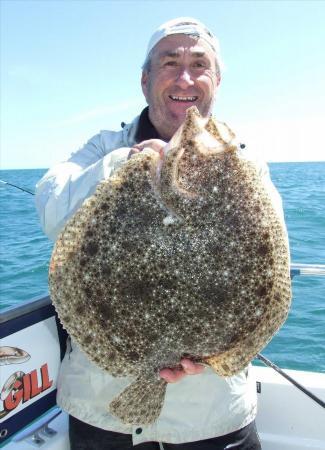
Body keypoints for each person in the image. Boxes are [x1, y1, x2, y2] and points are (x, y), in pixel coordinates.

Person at [35, 17, 286, 450]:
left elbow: (268, 269)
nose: (185, 77)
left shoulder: (244, 164)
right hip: (102, 410)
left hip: (212, 416)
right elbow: (49, 206)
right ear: (146, 79)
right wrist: (124, 165)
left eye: (199, 64)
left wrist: (219, 353)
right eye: (170, 63)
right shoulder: (103, 149)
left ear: (217, 80)